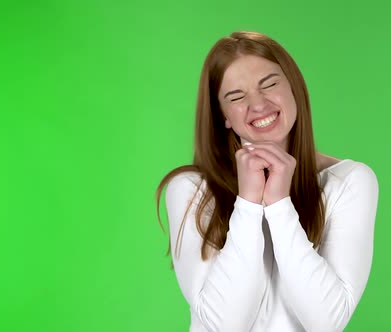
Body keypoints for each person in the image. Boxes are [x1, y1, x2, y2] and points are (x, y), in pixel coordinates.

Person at [155, 31, 379, 332]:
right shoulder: (192, 189)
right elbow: (225, 325)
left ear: (294, 87)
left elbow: (326, 322)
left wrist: (278, 204)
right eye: (236, 97)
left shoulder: (348, 181)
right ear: (223, 115)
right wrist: (247, 203)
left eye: (270, 84)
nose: (258, 105)